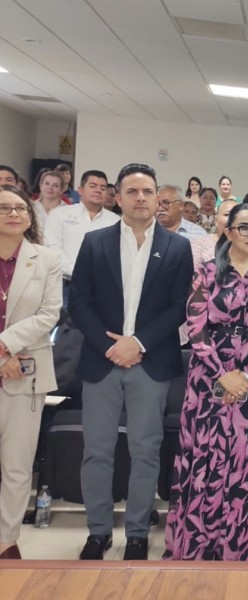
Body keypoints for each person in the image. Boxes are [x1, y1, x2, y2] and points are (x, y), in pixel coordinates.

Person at [70, 163, 194, 561]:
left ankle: (138, 533)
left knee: (146, 449)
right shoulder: (95, 242)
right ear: (118, 198)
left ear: (158, 199)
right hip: (102, 360)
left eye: (148, 192)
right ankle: (98, 532)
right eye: (132, 191)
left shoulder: (178, 248)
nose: (141, 198)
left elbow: (179, 306)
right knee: (97, 450)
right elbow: (79, 302)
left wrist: (137, 343)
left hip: (150, 361)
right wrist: (112, 346)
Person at [164, 203, 248, 561]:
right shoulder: (207, 273)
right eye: (244, 228)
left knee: (245, 460)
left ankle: (238, 542)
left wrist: (244, 377)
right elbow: (196, 330)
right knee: (206, 458)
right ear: (228, 232)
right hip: (208, 377)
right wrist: (222, 375)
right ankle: (199, 543)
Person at [0, 185, 62, 561]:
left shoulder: (46, 259)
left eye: (20, 208)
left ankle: (6, 540)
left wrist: (4, 344)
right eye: (5, 208)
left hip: (25, 374)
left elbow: (49, 313)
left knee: (17, 465)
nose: (14, 214)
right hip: (9, 362)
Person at [44, 170, 119, 307]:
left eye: (102, 188)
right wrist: (76, 271)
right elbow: (52, 247)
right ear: (80, 190)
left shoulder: (115, 221)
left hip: (100, 288)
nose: (98, 190)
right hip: (64, 285)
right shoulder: (61, 214)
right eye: (93, 186)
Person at [191, 199, 248, 279]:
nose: (233, 218)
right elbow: (192, 277)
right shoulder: (200, 243)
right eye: (227, 214)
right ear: (215, 220)